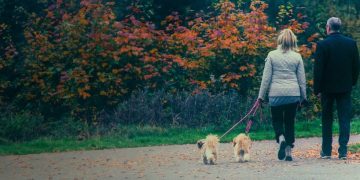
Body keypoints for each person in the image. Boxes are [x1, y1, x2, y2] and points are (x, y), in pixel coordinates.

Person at [314, 17, 360, 160]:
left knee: (327, 119)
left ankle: (326, 151)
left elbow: (318, 70)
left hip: (327, 88)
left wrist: (317, 89)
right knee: (344, 119)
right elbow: (356, 67)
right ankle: (343, 151)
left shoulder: (322, 45)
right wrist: (352, 82)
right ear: (339, 27)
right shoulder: (351, 43)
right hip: (345, 87)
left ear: (328, 28)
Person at [258, 29, 307, 161]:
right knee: (289, 122)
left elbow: (266, 79)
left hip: (276, 95)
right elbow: (302, 80)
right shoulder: (297, 57)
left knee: (277, 120)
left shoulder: (272, 55)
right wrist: (303, 97)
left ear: (280, 40)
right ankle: (289, 153)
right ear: (293, 41)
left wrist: (261, 96)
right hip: (293, 94)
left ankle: (281, 138)